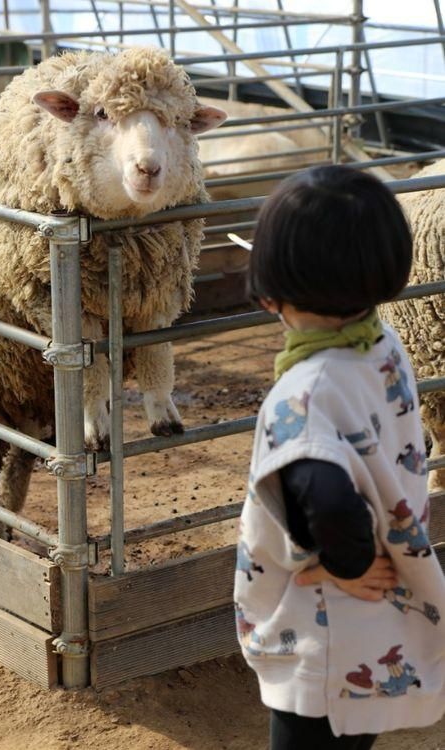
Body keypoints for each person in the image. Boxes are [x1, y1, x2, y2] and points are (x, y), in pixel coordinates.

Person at [234, 165, 445, 750]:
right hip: (377, 629)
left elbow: (322, 492)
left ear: (272, 290)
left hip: (322, 635)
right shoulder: (383, 345)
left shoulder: (301, 395)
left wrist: (343, 564)